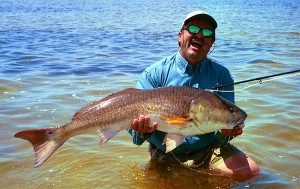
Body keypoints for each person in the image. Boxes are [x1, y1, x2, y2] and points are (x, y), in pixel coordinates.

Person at [128, 10, 260, 181]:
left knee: (250, 173)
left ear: (212, 42)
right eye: (193, 28)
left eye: (207, 33)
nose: (200, 35)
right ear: (180, 36)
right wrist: (141, 131)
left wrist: (227, 132)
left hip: (209, 149)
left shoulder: (222, 75)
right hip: (164, 152)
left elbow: (226, 127)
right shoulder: (155, 74)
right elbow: (135, 137)